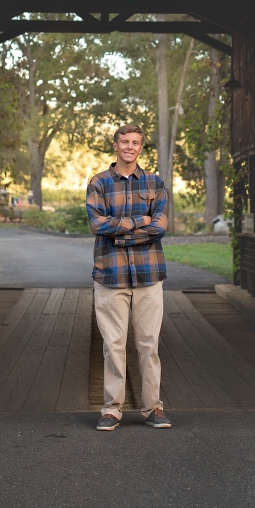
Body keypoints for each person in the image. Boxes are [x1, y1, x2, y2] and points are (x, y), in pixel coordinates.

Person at [85, 123, 171, 431]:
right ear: (115, 145)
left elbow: (159, 226)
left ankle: (153, 408)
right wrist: (138, 222)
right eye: (124, 142)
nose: (129, 147)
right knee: (113, 345)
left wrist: (119, 231)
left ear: (141, 147)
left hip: (149, 274)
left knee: (149, 345)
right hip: (111, 274)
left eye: (135, 142)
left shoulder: (155, 183)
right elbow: (97, 225)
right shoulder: (99, 183)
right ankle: (112, 410)